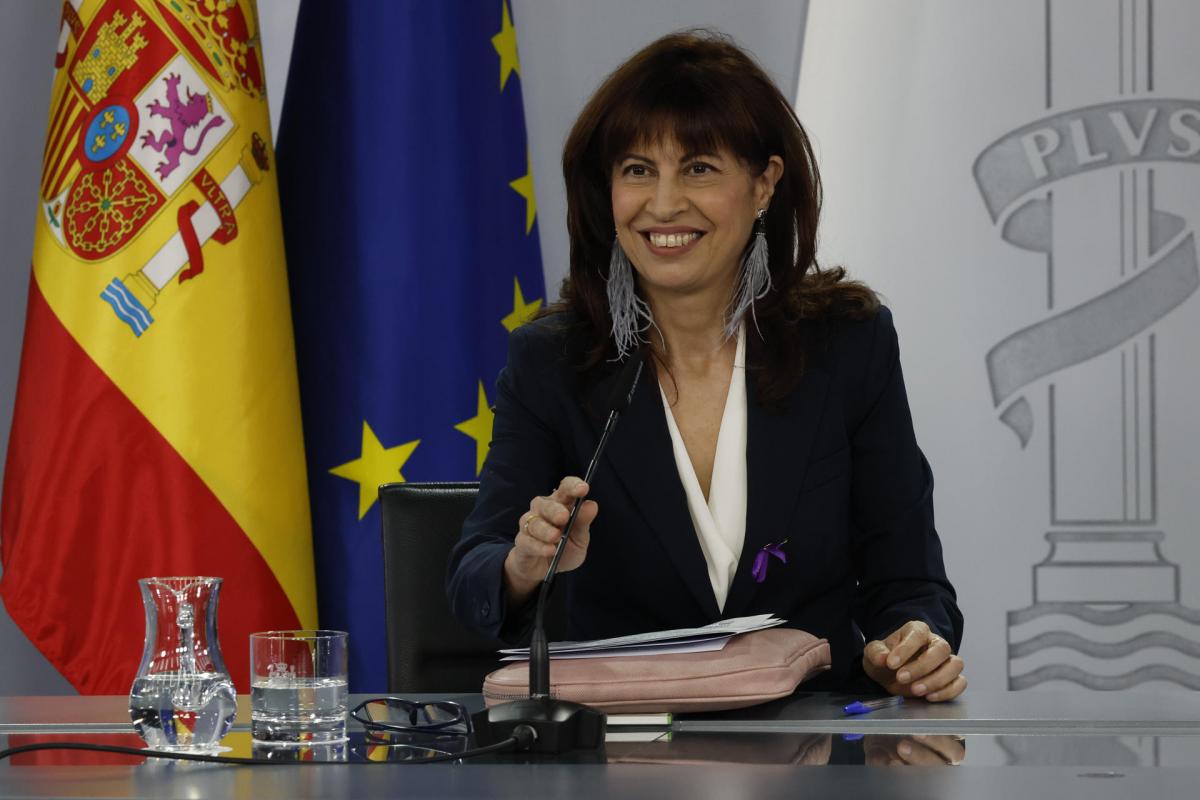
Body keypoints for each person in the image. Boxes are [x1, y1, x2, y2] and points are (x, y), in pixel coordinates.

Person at [446, 30, 965, 699]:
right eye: (637, 170)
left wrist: (912, 643)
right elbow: (472, 578)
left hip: (813, 752)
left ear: (764, 184)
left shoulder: (847, 344)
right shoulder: (554, 359)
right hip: (613, 753)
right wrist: (522, 564)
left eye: (699, 168)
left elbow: (909, 582)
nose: (663, 204)